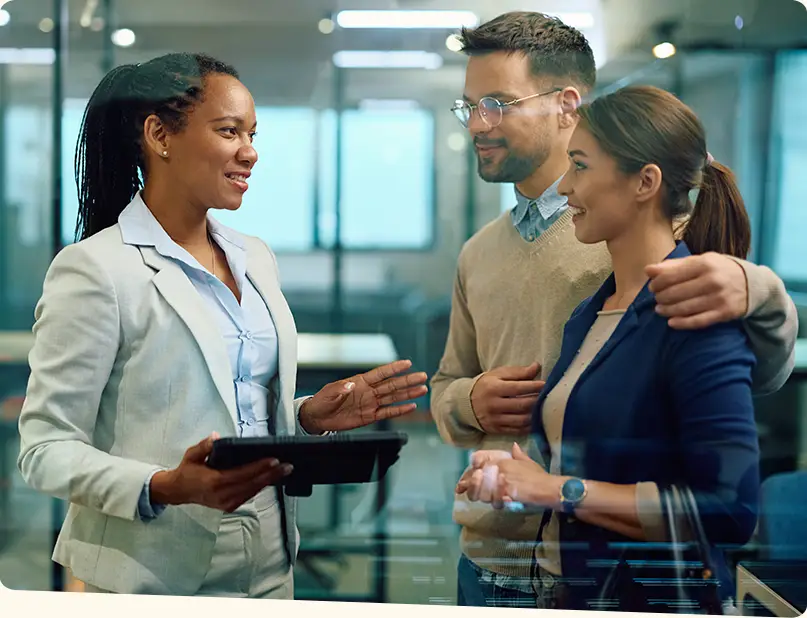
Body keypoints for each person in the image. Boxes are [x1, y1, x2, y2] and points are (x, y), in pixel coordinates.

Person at [16, 52, 428, 598]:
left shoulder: (254, 257)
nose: (250, 152)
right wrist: (164, 486)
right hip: (151, 568)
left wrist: (304, 417)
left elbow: (234, 405)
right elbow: (44, 450)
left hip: (271, 556)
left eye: (253, 133)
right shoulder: (96, 269)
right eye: (229, 131)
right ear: (160, 135)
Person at [429, 11, 798, 608]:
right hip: (493, 558)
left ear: (566, 104)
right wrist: (468, 399)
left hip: (620, 568)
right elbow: (446, 389)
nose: (478, 123)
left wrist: (754, 287)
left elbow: (758, 373)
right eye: (469, 106)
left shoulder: (646, 236)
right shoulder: (481, 254)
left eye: (497, 103)